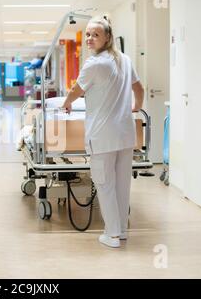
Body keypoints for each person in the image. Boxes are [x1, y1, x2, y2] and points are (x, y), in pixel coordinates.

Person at [61, 16, 145, 248]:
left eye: (95, 34)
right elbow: (139, 87)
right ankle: (122, 230)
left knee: (105, 184)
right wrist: (136, 106)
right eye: (87, 34)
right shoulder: (125, 60)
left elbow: (78, 89)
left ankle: (112, 235)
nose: (89, 38)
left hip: (102, 136)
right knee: (121, 185)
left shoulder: (95, 63)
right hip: (125, 135)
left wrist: (67, 102)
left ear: (108, 38)